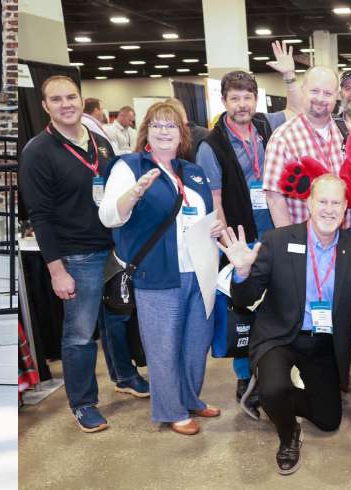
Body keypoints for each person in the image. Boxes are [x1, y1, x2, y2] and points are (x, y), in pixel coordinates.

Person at [217, 174, 351, 474]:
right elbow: (245, 299)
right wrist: (241, 273)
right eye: (323, 201)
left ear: (345, 208)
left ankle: (265, 395)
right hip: (279, 335)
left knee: (328, 420)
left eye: (336, 203)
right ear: (309, 203)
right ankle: (288, 434)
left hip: (323, 341)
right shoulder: (278, 241)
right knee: (276, 388)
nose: (329, 209)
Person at [19, 75, 142, 433]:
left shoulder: (99, 142)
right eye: (56, 99)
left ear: (81, 99)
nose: (66, 104)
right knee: (80, 334)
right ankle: (83, 402)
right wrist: (57, 272)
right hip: (76, 256)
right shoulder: (38, 151)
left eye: (71, 97)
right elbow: (40, 217)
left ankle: (124, 376)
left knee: (116, 319)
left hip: (111, 247)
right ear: (45, 106)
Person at [99, 102, 223, 435]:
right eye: (157, 125)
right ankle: (171, 410)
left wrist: (214, 227)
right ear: (146, 132)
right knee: (163, 346)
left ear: (182, 134)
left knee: (196, 343)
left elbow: (204, 215)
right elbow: (109, 216)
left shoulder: (192, 171)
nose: (164, 131)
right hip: (157, 273)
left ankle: (190, 398)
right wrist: (134, 194)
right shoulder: (130, 167)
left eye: (171, 126)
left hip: (200, 271)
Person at [192, 67, 291, 412]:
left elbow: (295, 110)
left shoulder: (265, 128)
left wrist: (289, 77)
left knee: (274, 303)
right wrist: (230, 249)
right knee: (243, 308)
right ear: (223, 101)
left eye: (247, 97)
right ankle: (244, 375)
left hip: (272, 232)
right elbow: (215, 201)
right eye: (234, 98)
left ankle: (273, 367)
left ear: (256, 99)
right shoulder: (211, 145)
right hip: (241, 239)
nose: (242, 104)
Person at [263, 67, 349, 229]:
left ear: (336, 96)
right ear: (303, 90)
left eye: (328, 93)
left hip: (346, 233)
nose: (320, 98)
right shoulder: (283, 138)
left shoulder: (346, 132)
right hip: (305, 237)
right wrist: (289, 239)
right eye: (314, 91)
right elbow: (274, 197)